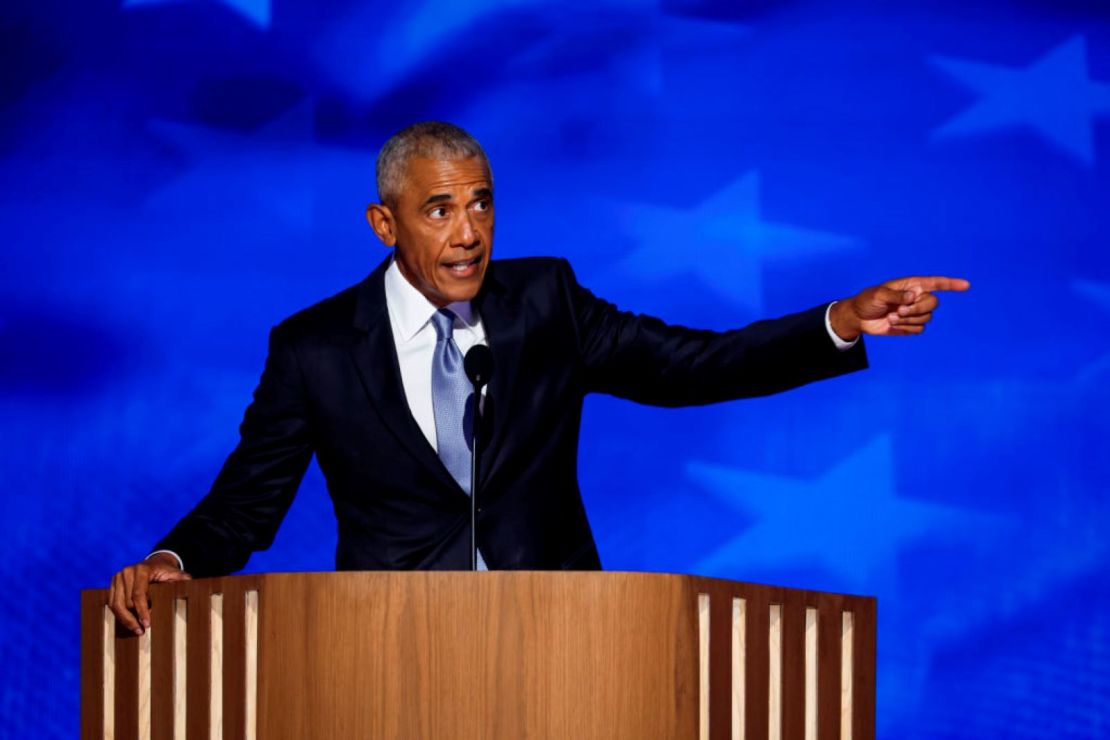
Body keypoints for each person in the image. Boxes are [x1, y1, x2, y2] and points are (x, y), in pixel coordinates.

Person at [108, 121, 969, 635]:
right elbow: (248, 501)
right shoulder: (316, 348)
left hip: (565, 644)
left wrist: (840, 322)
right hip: (386, 653)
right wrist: (174, 557)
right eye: (439, 209)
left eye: (481, 202)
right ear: (384, 223)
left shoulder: (544, 301)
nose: (469, 231)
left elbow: (694, 367)